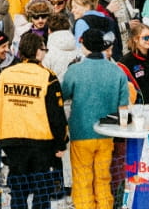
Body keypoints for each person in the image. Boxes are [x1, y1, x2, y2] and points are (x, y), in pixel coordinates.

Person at [0, 31, 66, 209]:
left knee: (18, 189)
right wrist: (61, 143)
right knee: (42, 191)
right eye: (44, 49)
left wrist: (0, 138)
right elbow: (56, 113)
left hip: (12, 140)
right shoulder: (47, 76)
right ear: (38, 51)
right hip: (40, 142)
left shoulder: (5, 75)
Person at [60, 28, 129, 209]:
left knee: (83, 177)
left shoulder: (75, 70)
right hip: (107, 133)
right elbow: (124, 104)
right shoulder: (117, 71)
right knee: (103, 177)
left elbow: (63, 94)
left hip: (81, 131)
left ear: (84, 45)